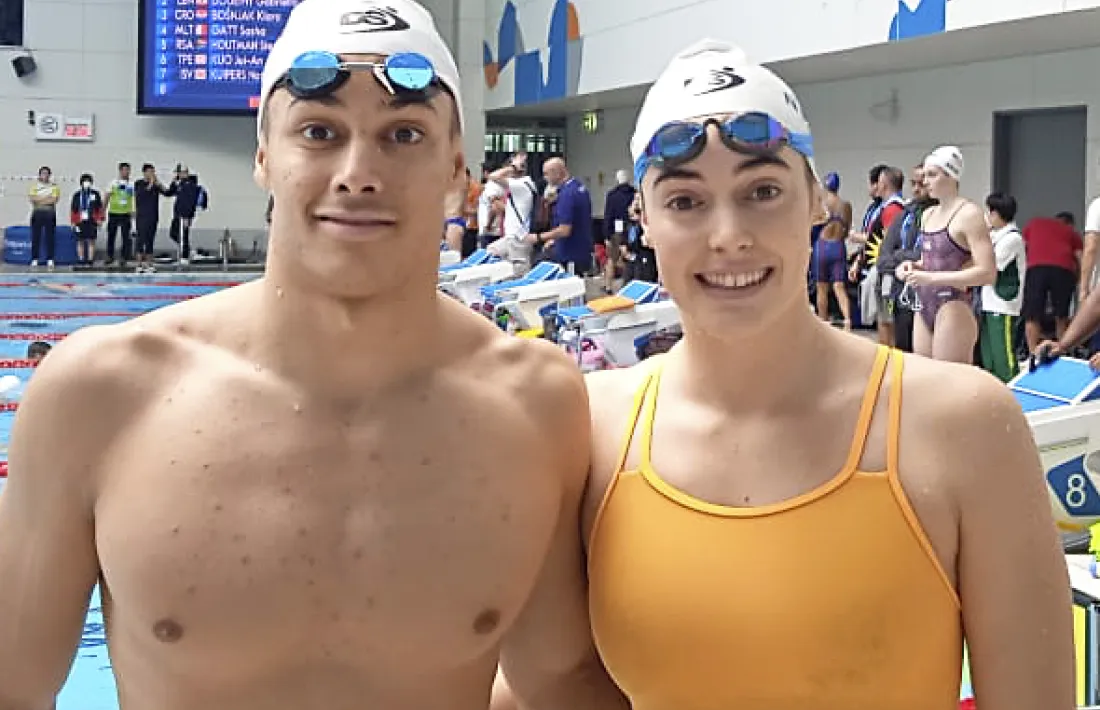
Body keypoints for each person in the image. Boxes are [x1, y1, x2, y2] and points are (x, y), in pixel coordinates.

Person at [0, 2, 605, 709]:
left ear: (457, 167)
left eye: (403, 135)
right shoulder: (101, 393)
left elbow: (556, 684)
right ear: (264, 156)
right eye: (319, 132)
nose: (358, 173)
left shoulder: (536, 404)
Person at [495, 38, 1074, 710]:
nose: (729, 234)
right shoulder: (589, 431)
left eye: (762, 190)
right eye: (685, 202)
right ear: (644, 222)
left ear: (814, 204)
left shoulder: (962, 424)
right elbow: (543, 684)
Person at [897, 146, 996, 363]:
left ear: (952, 176)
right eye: (925, 176)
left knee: (950, 383)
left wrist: (931, 278)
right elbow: (933, 261)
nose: (925, 182)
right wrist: (912, 267)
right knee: (925, 379)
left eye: (932, 175)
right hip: (924, 304)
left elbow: (987, 272)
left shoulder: (969, 214)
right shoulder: (928, 214)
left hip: (953, 305)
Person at [875, 163, 937, 352]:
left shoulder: (941, 215)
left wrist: (901, 255)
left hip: (928, 296)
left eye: (922, 184)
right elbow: (883, 259)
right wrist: (905, 259)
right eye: (913, 183)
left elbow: (932, 257)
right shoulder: (904, 215)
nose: (917, 188)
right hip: (897, 291)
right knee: (893, 335)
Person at [978, 192, 1026, 382]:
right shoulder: (994, 236)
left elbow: (989, 265)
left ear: (998, 214)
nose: (987, 216)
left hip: (1004, 305)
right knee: (988, 357)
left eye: (989, 212)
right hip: (989, 303)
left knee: (1003, 358)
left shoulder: (1012, 238)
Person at [1021, 211, 1082, 352]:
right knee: (1061, 314)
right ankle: (1063, 350)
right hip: (1063, 269)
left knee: (1032, 314)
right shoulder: (1071, 232)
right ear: (1070, 224)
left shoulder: (1034, 222)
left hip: (1036, 268)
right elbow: (1080, 257)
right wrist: (1079, 281)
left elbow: (1023, 246)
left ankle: (1032, 352)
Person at [534, 157, 593, 274]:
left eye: (546, 174)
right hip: (581, 249)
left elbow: (565, 230)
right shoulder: (580, 188)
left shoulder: (567, 195)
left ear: (557, 172)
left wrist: (539, 237)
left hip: (569, 254)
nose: (545, 178)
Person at [811, 171, 853, 328]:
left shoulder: (822, 204)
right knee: (839, 286)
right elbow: (847, 231)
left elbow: (812, 225)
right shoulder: (845, 205)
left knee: (821, 286)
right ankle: (848, 320)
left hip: (822, 246)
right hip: (838, 246)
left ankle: (823, 321)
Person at [133, 163, 172, 273]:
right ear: (144, 172)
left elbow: (167, 193)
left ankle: (150, 264)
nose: (152, 174)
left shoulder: (155, 185)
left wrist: (159, 184)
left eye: (153, 172)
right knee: (140, 240)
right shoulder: (138, 183)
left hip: (153, 216)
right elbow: (142, 194)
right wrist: (151, 183)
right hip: (141, 216)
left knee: (150, 240)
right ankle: (139, 264)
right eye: (150, 172)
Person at [602, 170, 636, 294]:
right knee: (629, 258)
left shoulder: (612, 195)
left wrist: (606, 234)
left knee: (611, 259)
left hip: (616, 231)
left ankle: (608, 286)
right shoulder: (634, 193)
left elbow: (608, 215)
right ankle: (627, 285)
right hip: (632, 230)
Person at [27, 165, 60, 270]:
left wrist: (41, 199)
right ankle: (34, 258)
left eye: (46, 173)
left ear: (49, 175)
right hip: (37, 214)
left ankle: (50, 259)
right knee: (36, 237)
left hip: (50, 214)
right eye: (42, 173)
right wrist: (45, 199)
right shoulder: (34, 187)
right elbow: (33, 199)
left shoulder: (54, 187)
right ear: (40, 175)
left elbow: (53, 200)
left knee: (50, 237)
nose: (44, 175)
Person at [105, 162, 136, 268]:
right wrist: (102, 212)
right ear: (120, 171)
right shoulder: (113, 183)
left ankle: (124, 257)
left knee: (125, 236)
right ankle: (109, 256)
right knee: (111, 235)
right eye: (123, 170)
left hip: (126, 213)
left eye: (127, 170)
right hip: (114, 212)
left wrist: (134, 211)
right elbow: (107, 197)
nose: (125, 172)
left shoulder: (132, 184)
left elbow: (135, 199)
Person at [70, 173, 105, 266]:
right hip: (79, 220)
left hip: (92, 220)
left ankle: (90, 260)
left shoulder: (95, 194)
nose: (86, 183)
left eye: (88, 181)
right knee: (80, 240)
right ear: (81, 183)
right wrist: (73, 221)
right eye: (85, 181)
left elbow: (99, 208)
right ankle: (81, 259)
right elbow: (73, 209)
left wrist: (100, 219)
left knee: (91, 240)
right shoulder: (77, 195)